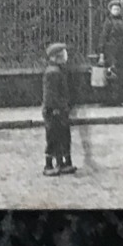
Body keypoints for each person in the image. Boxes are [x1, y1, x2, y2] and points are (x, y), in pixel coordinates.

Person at [42, 41, 76, 176]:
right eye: (62, 54)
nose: (65, 57)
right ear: (55, 57)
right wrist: (55, 108)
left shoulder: (58, 71)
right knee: (53, 138)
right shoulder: (53, 72)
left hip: (61, 110)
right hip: (55, 111)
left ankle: (63, 163)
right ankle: (49, 165)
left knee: (63, 136)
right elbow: (50, 95)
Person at [98, 0, 123, 106]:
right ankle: (109, 100)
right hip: (110, 52)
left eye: (118, 9)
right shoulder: (108, 22)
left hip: (120, 52)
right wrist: (102, 53)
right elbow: (103, 38)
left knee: (121, 75)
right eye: (114, 9)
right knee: (111, 74)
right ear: (110, 10)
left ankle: (118, 100)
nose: (116, 11)